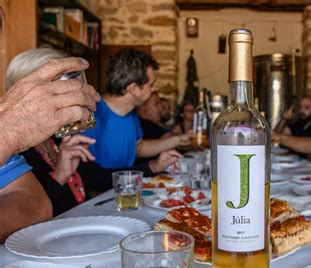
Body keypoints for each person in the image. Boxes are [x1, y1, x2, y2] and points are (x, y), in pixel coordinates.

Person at [6, 47, 181, 216]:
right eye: (61, 85)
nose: (72, 91)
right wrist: (60, 175)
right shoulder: (14, 148)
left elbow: (97, 176)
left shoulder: (58, 138)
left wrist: (153, 166)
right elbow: (29, 218)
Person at [0, 56, 99, 243]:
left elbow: (37, 207)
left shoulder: (55, 138)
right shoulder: (17, 140)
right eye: (60, 85)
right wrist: (6, 135)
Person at [83, 48, 191, 169]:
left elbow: (138, 148)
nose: (153, 90)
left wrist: (178, 140)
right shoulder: (90, 115)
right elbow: (87, 176)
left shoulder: (131, 111)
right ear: (133, 89)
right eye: (150, 85)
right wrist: (152, 168)